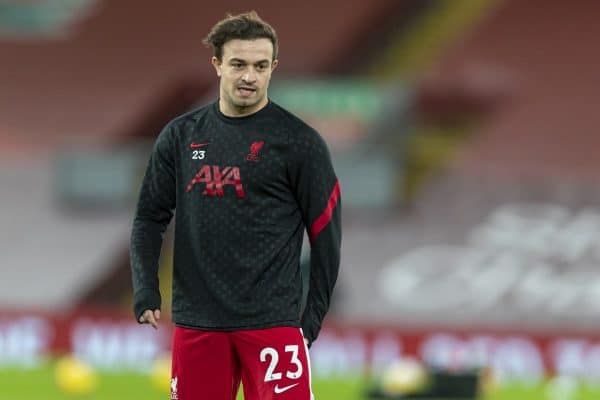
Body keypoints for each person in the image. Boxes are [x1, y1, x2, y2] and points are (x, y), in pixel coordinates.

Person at [130, 10, 342, 400]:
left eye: (261, 66)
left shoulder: (300, 143)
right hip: (198, 324)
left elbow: (327, 234)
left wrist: (310, 320)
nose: (249, 76)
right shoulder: (180, 136)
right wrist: (145, 288)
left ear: (273, 67)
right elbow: (149, 217)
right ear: (217, 65)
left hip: (272, 323)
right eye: (239, 64)